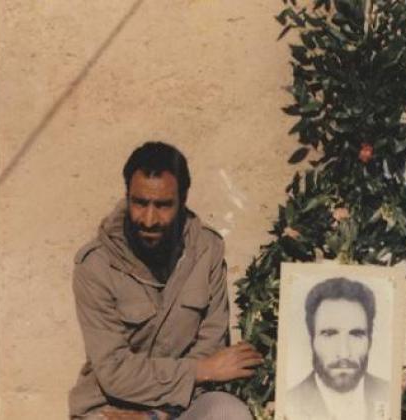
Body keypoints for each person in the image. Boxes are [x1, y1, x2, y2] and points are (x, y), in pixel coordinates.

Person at [69, 142, 263, 419]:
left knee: (228, 412)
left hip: (180, 408)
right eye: (140, 203)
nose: (149, 219)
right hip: (109, 408)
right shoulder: (96, 265)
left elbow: (211, 348)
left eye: (162, 205)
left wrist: (157, 416)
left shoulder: (207, 250)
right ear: (127, 196)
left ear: (183, 200)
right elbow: (115, 371)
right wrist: (200, 370)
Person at [286, 278, 390, 420]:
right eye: (329, 334)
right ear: (312, 340)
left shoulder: (391, 395)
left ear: (370, 340)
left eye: (356, 334)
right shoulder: (287, 403)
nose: (344, 353)